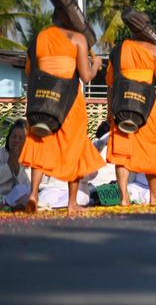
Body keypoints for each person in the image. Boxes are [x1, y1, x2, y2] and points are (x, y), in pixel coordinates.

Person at [20, 18, 105, 214]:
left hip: (43, 100)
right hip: (70, 101)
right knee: (74, 148)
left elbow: (29, 72)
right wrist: (95, 64)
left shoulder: (39, 38)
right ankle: (72, 202)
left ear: (54, 19)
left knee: (41, 144)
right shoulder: (77, 38)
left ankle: (33, 193)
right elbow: (86, 76)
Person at [106, 35, 156, 206]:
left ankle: (124, 197)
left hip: (121, 104)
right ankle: (154, 196)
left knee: (122, 151)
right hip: (147, 106)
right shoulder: (153, 49)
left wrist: (110, 110)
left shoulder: (118, 50)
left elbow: (110, 83)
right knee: (152, 148)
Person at [0, 119, 29, 208]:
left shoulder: (29, 157)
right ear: (8, 138)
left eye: (20, 138)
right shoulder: (1, 153)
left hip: (19, 198)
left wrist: (17, 168)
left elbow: (27, 185)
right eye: (14, 136)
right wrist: (9, 165)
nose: (16, 140)